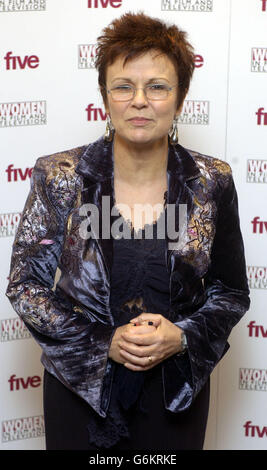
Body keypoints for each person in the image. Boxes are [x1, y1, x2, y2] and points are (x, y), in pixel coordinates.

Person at [6, 12, 250, 451]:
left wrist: (183, 336)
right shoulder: (60, 176)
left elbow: (231, 292)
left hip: (176, 393)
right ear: (105, 96)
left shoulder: (212, 181)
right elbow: (26, 286)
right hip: (79, 392)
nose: (139, 100)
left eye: (157, 86)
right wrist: (105, 343)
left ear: (180, 98)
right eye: (123, 86)